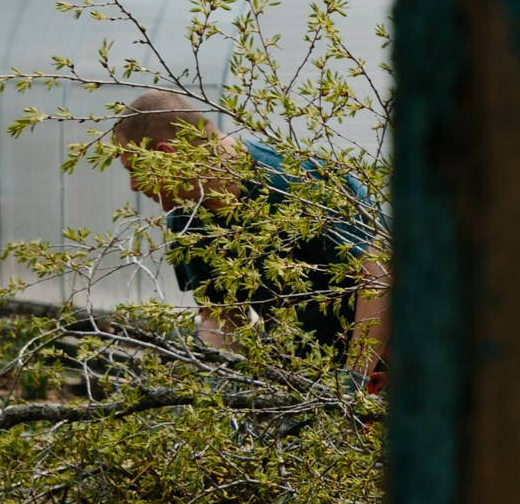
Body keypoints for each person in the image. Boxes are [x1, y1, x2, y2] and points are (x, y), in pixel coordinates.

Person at [111, 88, 388, 381]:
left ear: (166, 157)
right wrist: (216, 387)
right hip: (308, 376)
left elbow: (379, 275)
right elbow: (222, 313)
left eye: (135, 170)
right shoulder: (188, 218)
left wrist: (354, 380)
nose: (133, 186)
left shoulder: (295, 180)